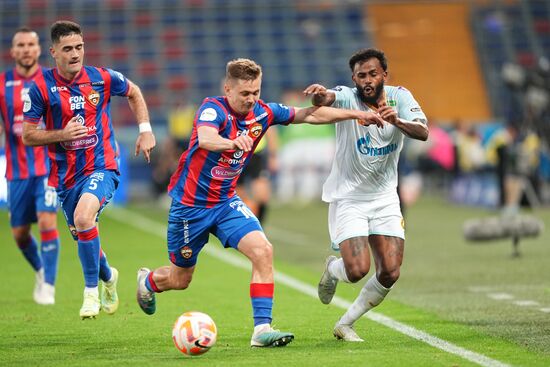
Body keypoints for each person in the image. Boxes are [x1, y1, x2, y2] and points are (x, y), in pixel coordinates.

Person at [136, 58, 384, 347]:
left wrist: (356, 115)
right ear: (227, 89)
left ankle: (261, 329)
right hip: (191, 207)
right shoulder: (212, 109)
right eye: (244, 94)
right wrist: (232, 143)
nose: (251, 99)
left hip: (226, 202)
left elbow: (310, 115)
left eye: (255, 92)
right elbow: (205, 139)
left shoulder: (264, 112)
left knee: (263, 250)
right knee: (180, 279)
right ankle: (149, 281)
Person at [22, 20, 156, 319]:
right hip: (65, 178)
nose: (75, 54)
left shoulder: (101, 78)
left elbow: (134, 92)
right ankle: (109, 277)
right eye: (67, 49)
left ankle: (90, 294)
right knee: (84, 232)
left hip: (102, 166)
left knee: (84, 217)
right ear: (53, 52)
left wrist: (145, 130)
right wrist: (61, 135)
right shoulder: (41, 87)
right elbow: (28, 135)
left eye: (79, 47)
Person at [304, 48, 429, 342]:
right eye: (361, 76)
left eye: (373, 74)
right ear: (354, 79)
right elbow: (324, 101)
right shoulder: (347, 96)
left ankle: (346, 323)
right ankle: (333, 269)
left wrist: (397, 120)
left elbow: (423, 132)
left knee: (390, 272)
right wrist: (318, 96)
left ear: (385, 74)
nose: (367, 80)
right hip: (350, 198)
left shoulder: (401, 98)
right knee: (358, 269)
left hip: (385, 197)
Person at [0, 27, 61, 305]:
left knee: (48, 220)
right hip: (17, 171)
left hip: (47, 166)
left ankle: (48, 284)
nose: (26, 49)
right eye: (20, 45)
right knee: (20, 233)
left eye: (31, 44)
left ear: (39, 50)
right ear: (13, 51)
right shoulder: (2, 84)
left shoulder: (52, 81)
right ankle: (39, 270)